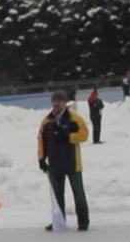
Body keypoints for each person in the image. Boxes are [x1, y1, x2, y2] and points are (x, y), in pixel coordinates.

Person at [38, 90, 91, 232]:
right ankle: (59, 222)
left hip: (73, 163)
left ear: (64, 103)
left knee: (78, 194)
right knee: (57, 196)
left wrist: (68, 136)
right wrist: (41, 159)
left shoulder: (74, 119)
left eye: (59, 100)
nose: (56, 103)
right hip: (55, 165)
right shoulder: (47, 121)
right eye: (54, 101)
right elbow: (41, 141)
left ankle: (83, 221)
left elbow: (84, 134)